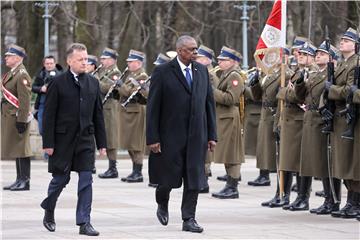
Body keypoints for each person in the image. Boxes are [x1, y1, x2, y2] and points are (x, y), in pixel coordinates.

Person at [146, 35, 216, 233]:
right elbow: (153, 108)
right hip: (170, 137)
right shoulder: (162, 72)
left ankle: (189, 218)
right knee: (167, 179)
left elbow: (208, 105)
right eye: (191, 50)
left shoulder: (202, 71)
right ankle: (162, 202)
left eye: (196, 49)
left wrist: (212, 135)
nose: (196, 53)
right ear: (180, 51)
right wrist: (153, 138)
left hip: (197, 136)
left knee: (194, 178)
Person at [40, 43, 107, 236]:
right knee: (60, 179)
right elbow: (49, 116)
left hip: (85, 141)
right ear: (69, 61)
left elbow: (98, 115)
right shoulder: (57, 83)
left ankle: (84, 222)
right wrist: (48, 144)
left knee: (86, 180)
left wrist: (102, 143)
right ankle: (49, 207)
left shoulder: (93, 83)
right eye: (80, 59)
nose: (85, 62)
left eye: (86, 59)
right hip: (62, 142)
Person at [327, 28, 358, 219]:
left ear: (355, 45)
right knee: (343, 162)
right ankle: (350, 201)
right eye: (342, 40)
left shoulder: (356, 64)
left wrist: (332, 89)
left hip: (350, 117)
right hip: (340, 118)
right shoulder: (341, 64)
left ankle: (355, 202)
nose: (342, 43)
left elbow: (348, 90)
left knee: (352, 162)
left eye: (347, 41)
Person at [211, 46, 245, 199]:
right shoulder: (226, 74)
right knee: (226, 153)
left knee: (232, 154)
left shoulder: (234, 76)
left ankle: (232, 187)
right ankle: (229, 185)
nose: (219, 62)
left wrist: (212, 91)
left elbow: (231, 99)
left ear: (231, 61)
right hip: (224, 118)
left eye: (222, 60)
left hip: (230, 118)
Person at [1, 44, 33, 191]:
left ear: (18, 58)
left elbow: (25, 100)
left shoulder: (22, 75)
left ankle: (25, 181)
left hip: (18, 118)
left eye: (9, 55)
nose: (6, 58)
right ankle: (19, 179)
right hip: (11, 117)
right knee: (17, 149)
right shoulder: (12, 73)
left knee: (22, 149)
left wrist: (21, 120)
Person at [118, 49, 149, 183]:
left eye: (131, 62)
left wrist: (121, 87)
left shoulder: (141, 76)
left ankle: (138, 172)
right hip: (127, 113)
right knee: (129, 143)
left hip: (136, 113)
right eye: (128, 62)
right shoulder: (131, 74)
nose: (129, 64)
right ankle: (134, 170)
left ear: (138, 63)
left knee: (136, 144)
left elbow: (134, 92)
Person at [195, 44, 219, 193]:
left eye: (199, 58)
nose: (196, 60)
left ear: (206, 60)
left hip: (206, 113)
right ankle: (202, 180)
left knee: (205, 150)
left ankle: (204, 181)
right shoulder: (202, 72)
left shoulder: (209, 75)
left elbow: (209, 96)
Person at [32, 55, 63, 161]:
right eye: (47, 64)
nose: (49, 65)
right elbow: (33, 87)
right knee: (42, 129)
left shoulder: (60, 75)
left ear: (55, 64)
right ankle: (48, 148)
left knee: (55, 129)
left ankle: (51, 152)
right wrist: (41, 88)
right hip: (42, 105)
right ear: (44, 64)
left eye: (51, 63)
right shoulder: (40, 74)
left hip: (56, 106)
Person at [97, 48, 122, 179]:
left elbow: (108, 88)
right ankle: (111, 167)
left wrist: (96, 81)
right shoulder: (104, 71)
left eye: (105, 59)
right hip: (104, 108)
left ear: (112, 60)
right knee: (106, 138)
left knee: (111, 138)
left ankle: (113, 168)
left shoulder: (115, 73)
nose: (102, 61)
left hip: (110, 109)